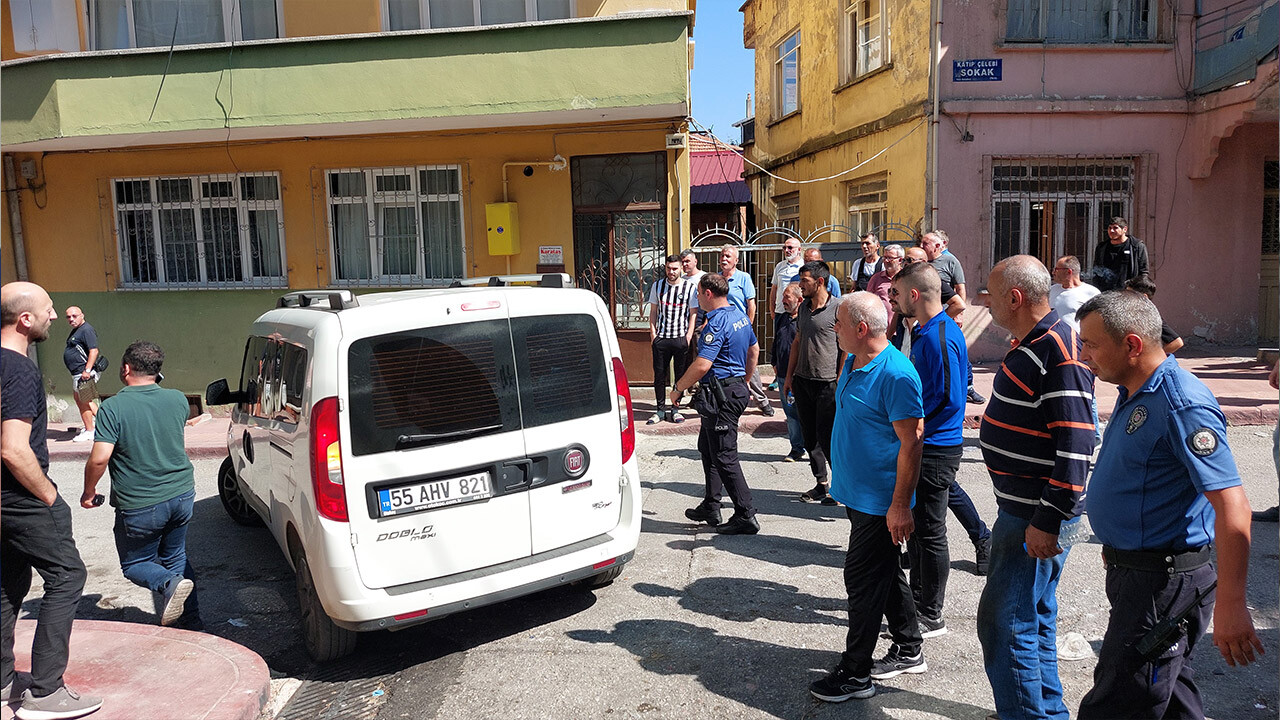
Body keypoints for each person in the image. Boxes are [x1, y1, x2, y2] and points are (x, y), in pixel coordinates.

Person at [1076, 291, 1263, 718]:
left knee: (1118, 703)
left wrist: (1233, 605)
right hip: (1138, 574)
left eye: (1091, 343)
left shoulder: (1182, 403)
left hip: (1161, 585)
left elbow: (1233, 508)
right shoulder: (1135, 388)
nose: (1083, 353)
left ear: (1132, 345)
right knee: (1171, 697)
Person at [976, 255, 1094, 720]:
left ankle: (1027, 714)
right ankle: (1043, 710)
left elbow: (1077, 444)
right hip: (1026, 510)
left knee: (1007, 624)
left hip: (1034, 514)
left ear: (1015, 297)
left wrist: (1047, 520)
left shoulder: (1057, 350)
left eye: (990, 292)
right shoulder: (1036, 340)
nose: (984, 300)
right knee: (1035, 618)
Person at [809, 292, 926, 702]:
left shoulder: (896, 374)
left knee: (861, 580)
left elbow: (912, 443)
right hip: (856, 494)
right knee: (884, 571)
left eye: (838, 322)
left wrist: (899, 506)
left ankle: (856, 673)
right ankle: (909, 645)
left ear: (861, 329)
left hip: (881, 501)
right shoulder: (851, 360)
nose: (832, 327)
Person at [0, 282, 102, 720]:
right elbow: (13, 448)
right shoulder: (19, 370)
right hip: (23, 497)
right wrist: (50, 496)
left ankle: (3, 678)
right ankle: (45, 694)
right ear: (25, 319)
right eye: (48, 309)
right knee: (67, 575)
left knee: (8, 582)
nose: (54, 316)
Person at [81, 342, 203, 629]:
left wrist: (88, 491)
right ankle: (193, 624)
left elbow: (99, 459)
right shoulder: (177, 400)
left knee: (136, 565)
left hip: (141, 503)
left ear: (125, 369)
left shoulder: (112, 408)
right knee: (176, 558)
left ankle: (168, 583)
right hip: (182, 494)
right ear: (158, 371)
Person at [891, 261, 967, 638]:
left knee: (932, 530)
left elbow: (949, 398)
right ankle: (919, 599)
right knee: (920, 530)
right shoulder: (924, 331)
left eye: (900, 293)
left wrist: (912, 427)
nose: (896, 300)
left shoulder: (940, 335)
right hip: (924, 441)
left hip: (936, 446)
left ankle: (931, 613)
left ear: (915, 295)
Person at [671, 272, 762, 535]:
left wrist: (678, 388)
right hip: (725, 391)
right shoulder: (739, 314)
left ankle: (746, 514)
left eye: (698, 293)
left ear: (708, 294)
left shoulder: (717, 323)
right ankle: (711, 505)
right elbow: (754, 350)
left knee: (724, 455)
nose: (697, 298)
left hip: (722, 394)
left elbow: (702, 364)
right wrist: (743, 379)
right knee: (708, 448)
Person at [783, 261, 845, 505]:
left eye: (805, 280)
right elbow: (797, 341)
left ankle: (841, 487)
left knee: (828, 437)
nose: (801, 285)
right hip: (803, 381)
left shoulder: (838, 308)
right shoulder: (804, 308)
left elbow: (846, 348)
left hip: (827, 383)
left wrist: (841, 379)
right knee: (810, 438)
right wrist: (789, 377)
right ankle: (822, 484)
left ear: (820, 282)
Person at [919, 231, 984, 404]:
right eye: (921, 243)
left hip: (947, 314)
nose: (921, 247)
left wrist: (959, 315)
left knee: (955, 351)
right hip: (924, 317)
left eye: (925, 244)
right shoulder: (921, 263)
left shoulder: (950, 261)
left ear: (938, 246)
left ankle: (968, 386)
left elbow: (960, 289)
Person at [719, 245, 774, 417]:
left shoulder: (743, 278)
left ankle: (762, 401)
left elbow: (751, 304)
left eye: (728, 256)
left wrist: (747, 327)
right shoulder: (717, 279)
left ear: (736, 260)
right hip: (721, 329)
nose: (724, 259)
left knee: (749, 363)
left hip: (739, 328)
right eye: (722, 256)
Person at [646, 255, 698, 424]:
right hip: (662, 338)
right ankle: (660, 410)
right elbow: (653, 311)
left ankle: (675, 408)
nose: (671, 272)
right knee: (659, 375)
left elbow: (693, 313)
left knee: (680, 376)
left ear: (681, 268)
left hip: (680, 338)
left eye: (675, 268)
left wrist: (688, 336)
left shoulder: (689, 287)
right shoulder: (658, 286)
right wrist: (653, 334)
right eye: (669, 268)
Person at [772, 284, 806, 462]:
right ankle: (796, 448)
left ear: (799, 300)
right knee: (791, 414)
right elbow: (776, 340)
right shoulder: (782, 318)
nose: (783, 301)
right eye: (783, 297)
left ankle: (817, 449)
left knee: (806, 414)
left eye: (787, 297)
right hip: (783, 374)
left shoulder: (805, 320)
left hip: (800, 375)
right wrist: (774, 362)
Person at [62, 306, 102, 443]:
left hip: (83, 372)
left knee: (85, 400)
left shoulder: (86, 330)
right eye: (68, 317)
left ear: (82, 315)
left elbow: (94, 351)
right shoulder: (77, 330)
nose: (71, 319)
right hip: (78, 372)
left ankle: (94, 429)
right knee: (81, 400)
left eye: (74, 316)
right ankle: (91, 427)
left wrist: (87, 370)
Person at [1124, 276, 1184, 354]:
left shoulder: (1150, 317)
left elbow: (1177, 343)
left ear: (1144, 297)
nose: (1126, 298)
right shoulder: (1131, 313)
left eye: (1130, 295)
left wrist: (1150, 355)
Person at [1091, 216, 1149, 291]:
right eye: (1109, 228)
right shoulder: (1102, 247)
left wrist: (1138, 290)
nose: (1111, 231)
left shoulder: (1136, 246)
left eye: (1115, 228)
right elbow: (1097, 270)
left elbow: (1143, 272)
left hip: (1129, 293)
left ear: (1125, 229)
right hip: (1107, 293)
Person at [1048, 256, 1100, 332]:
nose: (1053, 273)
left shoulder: (1091, 293)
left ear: (1069, 272)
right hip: (1053, 340)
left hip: (1077, 341)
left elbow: (1097, 322)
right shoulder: (1051, 290)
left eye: (1056, 270)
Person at [680, 249, 708, 375]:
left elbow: (710, 302)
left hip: (700, 321)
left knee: (700, 353)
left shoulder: (704, 278)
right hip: (683, 322)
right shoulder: (681, 279)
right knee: (685, 355)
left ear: (695, 261)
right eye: (683, 262)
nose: (685, 264)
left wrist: (706, 323)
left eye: (687, 261)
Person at [866, 243, 902, 321]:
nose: (886, 261)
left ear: (900, 260)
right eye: (885, 257)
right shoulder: (876, 279)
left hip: (902, 328)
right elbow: (867, 302)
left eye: (890, 258)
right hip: (881, 328)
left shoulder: (906, 277)